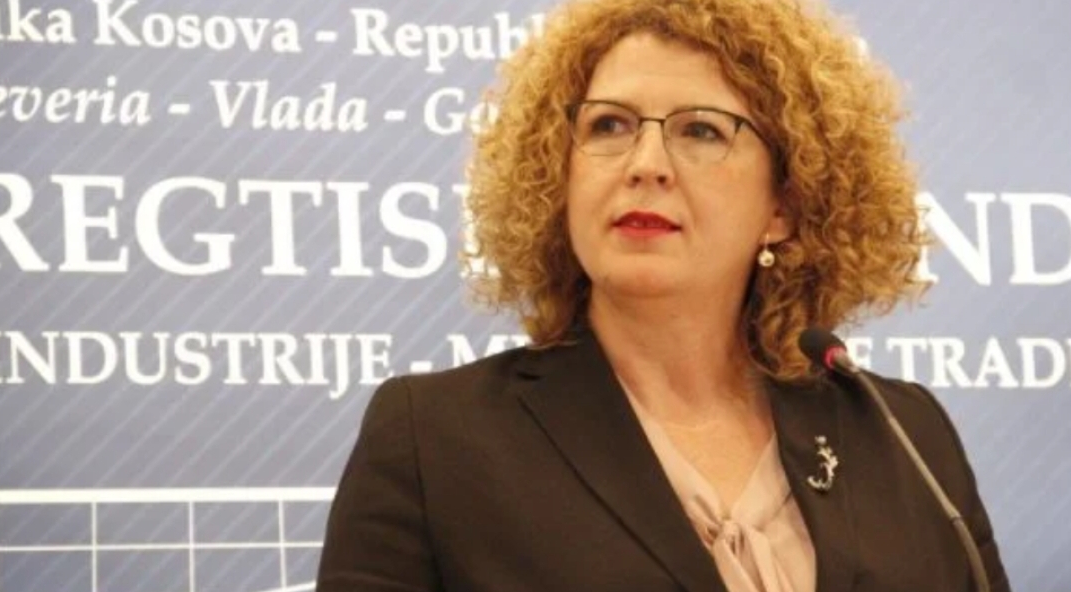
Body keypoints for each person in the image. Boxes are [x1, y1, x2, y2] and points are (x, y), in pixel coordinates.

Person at [316, 0, 1011, 590]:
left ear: (785, 204)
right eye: (609, 126)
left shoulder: (904, 435)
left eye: (701, 130)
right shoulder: (436, 439)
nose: (645, 165)